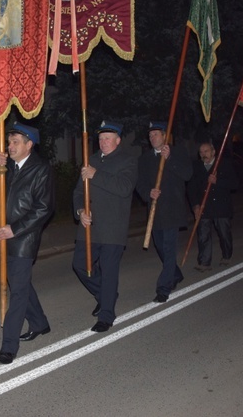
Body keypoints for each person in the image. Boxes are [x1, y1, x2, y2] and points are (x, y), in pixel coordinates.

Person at [0, 122, 55, 365]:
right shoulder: (4, 166)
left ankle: (9, 346)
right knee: (20, 283)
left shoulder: (41, 169)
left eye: (15, 142)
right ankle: (40, 323)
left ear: (29, 145)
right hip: (1, 237)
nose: (9, 146)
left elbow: (44, 208)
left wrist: (15, 229)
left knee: (17, 292)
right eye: (9, 142)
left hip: (23, 239)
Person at [72, 121, 137, 332]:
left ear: (118, 141)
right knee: (80, 265)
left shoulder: (127, 160)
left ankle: (106, 315)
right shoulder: (89, 160)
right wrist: (81, 211)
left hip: (112, 228)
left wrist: (96, 175)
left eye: (107, 138)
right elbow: (78, 192)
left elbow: (124, 188)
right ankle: (105, 295)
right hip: (89, 227)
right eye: (100, 139)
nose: (103, 142)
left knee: (109, 272)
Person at [136, 121, 192, 303]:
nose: (152, 138)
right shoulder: (144, 159)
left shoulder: (178, 152)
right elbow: (140, 183)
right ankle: (175, 273)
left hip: (173, 210)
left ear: (165, 136)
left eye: (156, 135)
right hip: (155, 211)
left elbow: (187, 175)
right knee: (160, 247)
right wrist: (148, 193)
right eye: (150, 135)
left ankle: (163, 287)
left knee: (168, 249)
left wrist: (170, 159)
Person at [187, 141, 239, 271]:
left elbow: (234, 184)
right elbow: (191, 188)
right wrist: (195, 206)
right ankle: (204, 262)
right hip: (204, 206)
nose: (203, 154)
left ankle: (227, 255)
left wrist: (217, 181)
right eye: (201, 152)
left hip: (221, 206)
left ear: (213, 151)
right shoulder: (196, 166)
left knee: (224, 233)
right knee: (203, 235)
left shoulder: (223, 164)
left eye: (206, 151)